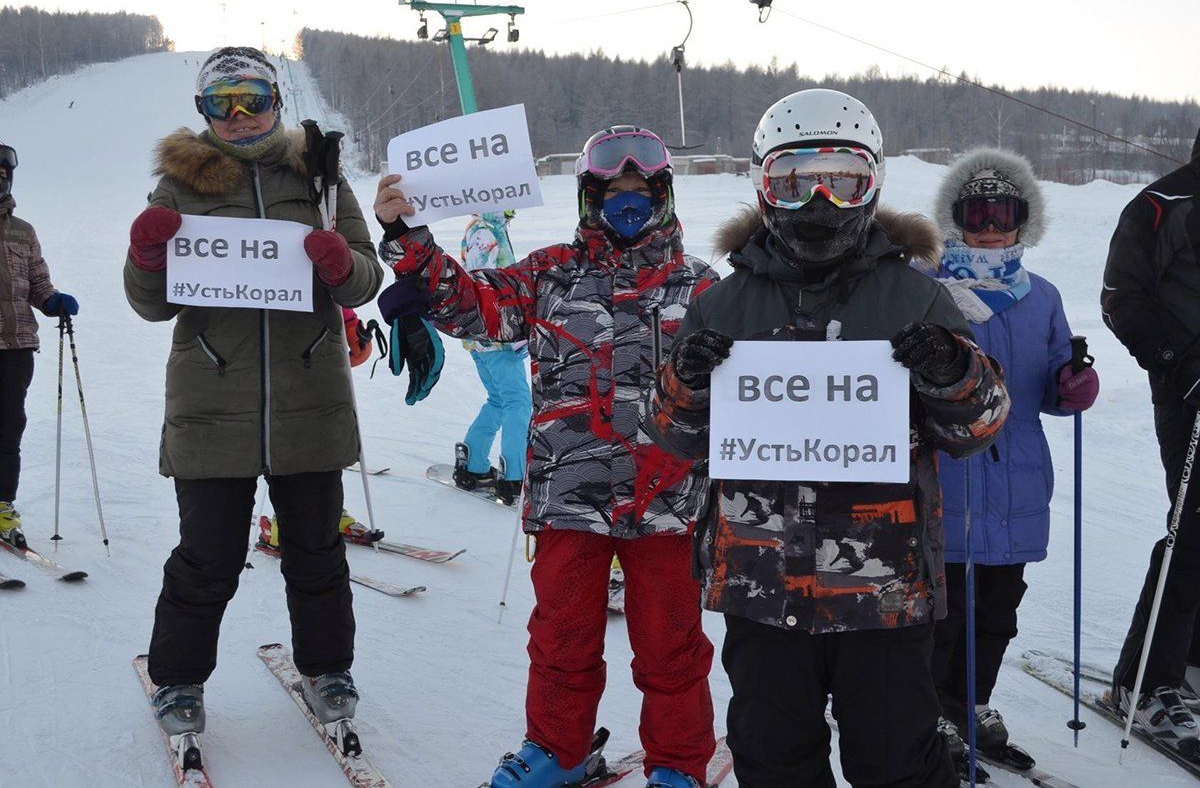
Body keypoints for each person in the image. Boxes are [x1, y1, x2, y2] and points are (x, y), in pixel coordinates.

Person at [646, 89, 1011, 788]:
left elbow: (981, 425)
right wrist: (686, 383)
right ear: (764, 186)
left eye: (843, 181)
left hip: (883, 591)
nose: (820, 203)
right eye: (794, 181)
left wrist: (951, 370)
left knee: (895, 762)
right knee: (773, 757)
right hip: (761, 586)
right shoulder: (723, 302)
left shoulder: (914, 296)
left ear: (872, 184)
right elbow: (675, 435)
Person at [375, 125, 718, 788]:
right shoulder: (550, 271)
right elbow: (477, 306)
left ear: (663, 195)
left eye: (640, 190)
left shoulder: (702, 288)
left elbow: (755, 379)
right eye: (612, 190)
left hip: (670, 505)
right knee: (561, 638)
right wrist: (411, 243)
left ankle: (678, 764)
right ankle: (558, 749)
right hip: (570, 500)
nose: (628, 202)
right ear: (590, 198)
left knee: (672, 644)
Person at [123, 47, 383, 759]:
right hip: (212, 401)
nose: (240, 117)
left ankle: (328, 670)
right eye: (221, 104)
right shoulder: (180, 183)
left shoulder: (319, 176)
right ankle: (178, 679)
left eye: (253, 99)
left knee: (317, 550)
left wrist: (340, 263)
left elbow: (364, 279)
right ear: (203, 113)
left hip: (309, 397)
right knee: (207, 556)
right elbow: (150, 304)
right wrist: (147, 259)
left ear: (277, 97)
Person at [924, 147, 1098, 765]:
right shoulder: (926, 287)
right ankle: (934, 714)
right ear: (956, 219)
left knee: (998, 610)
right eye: (978, 214)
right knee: (943, 613)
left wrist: (1071, 384)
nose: (992, 227)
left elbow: (1053, 384)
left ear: (1025, 222)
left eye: (1005, 213)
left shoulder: (1041, 296)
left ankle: (972, 703)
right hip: (945, 475)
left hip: (1019, 478)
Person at [1102, 125, 1200, 757]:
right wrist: (1180, 361)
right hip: (1191, 390)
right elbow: (1120, 298)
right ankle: (1145, 681)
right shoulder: (1163, 204)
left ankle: (1188, 666)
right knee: (1193, 529)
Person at [0, 141, 79, 550]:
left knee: (8, 427)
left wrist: (52, 301)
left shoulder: (22, 231)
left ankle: (1, 506)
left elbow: (38, 283)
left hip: (15, 347)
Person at [454, 210, 532, 505]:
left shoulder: (490, 228)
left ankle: (473, 466)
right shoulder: (484, 231)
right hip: (494, 336)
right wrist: (507, 328)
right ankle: (514, 476)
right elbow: (484, 283)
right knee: (517, 401)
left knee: (499, 400)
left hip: (488, 336)